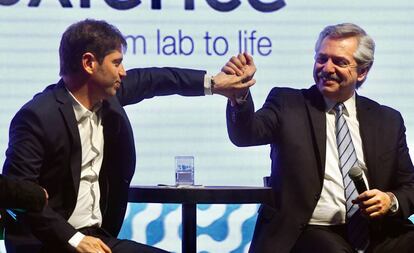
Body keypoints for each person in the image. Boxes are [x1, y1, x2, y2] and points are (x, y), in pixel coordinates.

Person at [2, 19, 254, 253]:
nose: (123, 72)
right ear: (89, 63)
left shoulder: (110, 98)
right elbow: (21, 199)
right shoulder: (37, 117)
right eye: (116, 62)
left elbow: (157, 79)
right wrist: (74, 240)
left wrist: (214, 83)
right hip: (45, 243)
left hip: (97, 237)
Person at [223, 23, 414, 253]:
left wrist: (390, 201)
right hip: (309, 231)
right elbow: (246, 134)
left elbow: (410, 186)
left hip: (376, 232)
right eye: (322, 58)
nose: (327, 68)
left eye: (340, 62)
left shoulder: (387, 120)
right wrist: (239, 95)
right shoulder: (287, 103)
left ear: (363, 71)